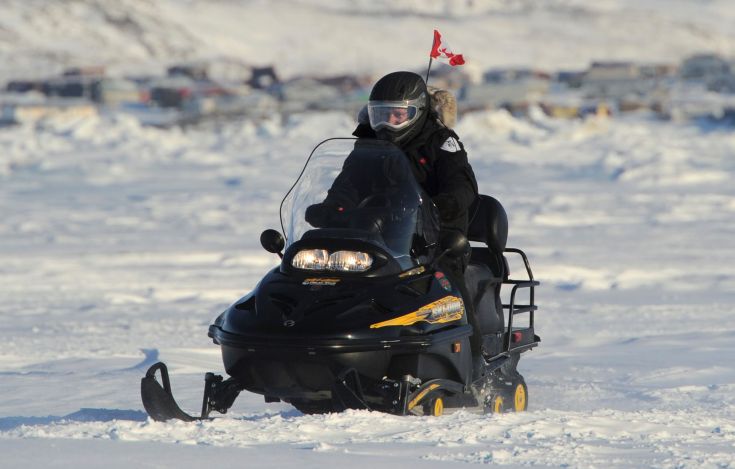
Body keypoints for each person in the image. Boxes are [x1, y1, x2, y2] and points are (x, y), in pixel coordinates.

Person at [309, 71, 486, 377]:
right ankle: (330, 347)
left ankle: (475, 363)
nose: (387, 124)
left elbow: (463, 186)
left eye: (397, 115)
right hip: (377, 232)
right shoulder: (368, 143)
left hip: (434, 235)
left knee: (449, 284)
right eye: (380, 115)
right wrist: (332, 209)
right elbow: (348, 185)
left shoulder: (441, 141)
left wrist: (442, 205)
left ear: (416, 113)